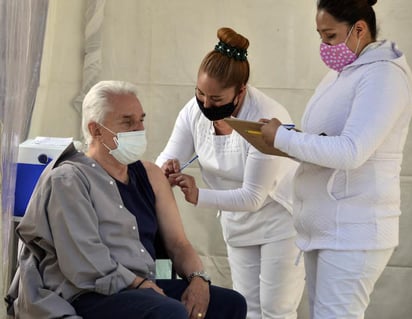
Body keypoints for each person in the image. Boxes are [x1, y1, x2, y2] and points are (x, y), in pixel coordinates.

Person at [8, 80, 247, 319]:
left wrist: (198, 279)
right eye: (127, 122)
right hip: (90, 293)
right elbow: (85, 261)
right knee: (168, 312)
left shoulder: (150, 174)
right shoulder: (69, 179)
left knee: (230, 304)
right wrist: (139, 284)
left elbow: (178, 244)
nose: (138, 129)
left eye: (141, 120)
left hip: (143, 287)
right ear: (96, 130)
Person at [260, 1, 412, 318]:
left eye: (330, 36)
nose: (324, 46)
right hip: (328, 228)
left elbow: (352, 151)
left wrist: (285, 138)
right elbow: (325, 139)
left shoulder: (384, 75)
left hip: (353, 231)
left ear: (359, 29)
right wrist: (283, 136)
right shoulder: (342, 74)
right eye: (320, 36)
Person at [156, 27, 305, 319]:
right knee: (246, 306)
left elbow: (253, 197)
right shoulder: (193, 111)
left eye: (216, 99)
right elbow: (169, 153)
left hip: (281, 221)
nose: (206, 104)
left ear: (241, 90)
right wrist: (166, 167)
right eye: (200, 94)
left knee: (277, 309)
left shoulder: (266, 117)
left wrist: (197, 194)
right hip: (236, 223)